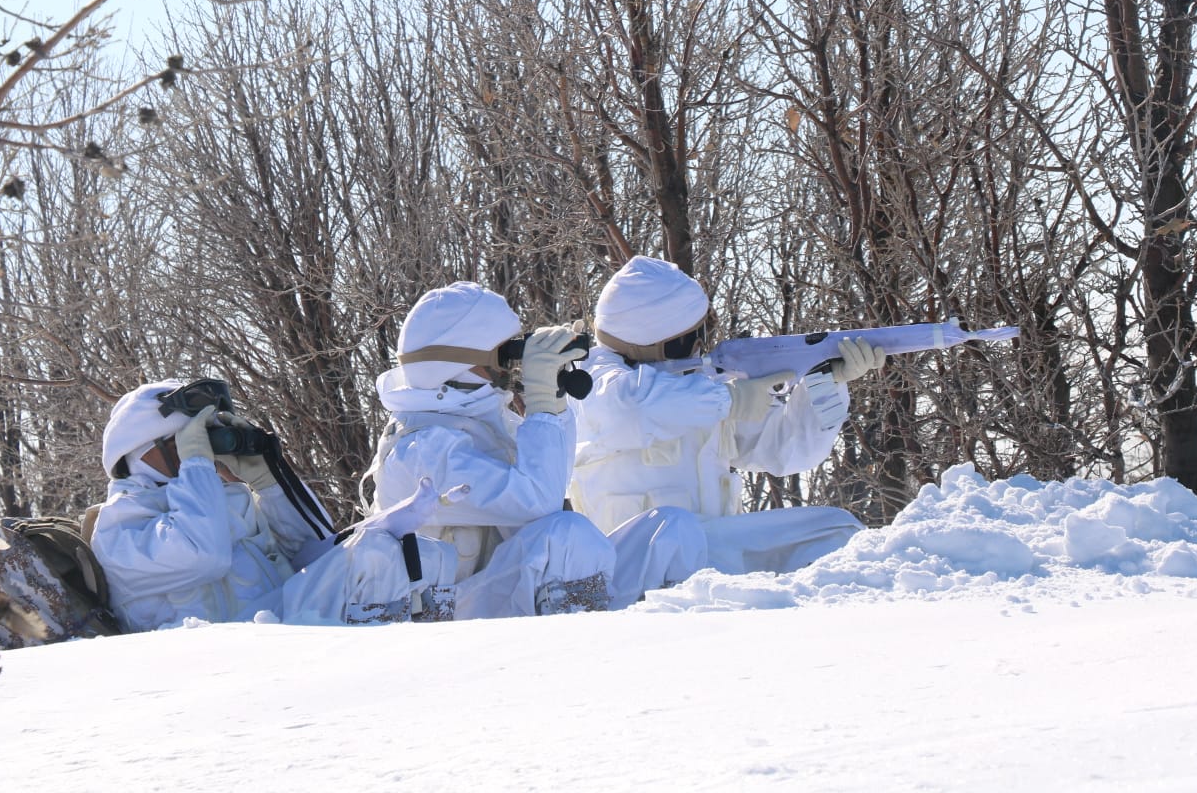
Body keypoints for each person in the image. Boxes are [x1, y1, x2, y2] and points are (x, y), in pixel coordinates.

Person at [569, 255, 884, 595]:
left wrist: (825, 380)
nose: (703, 343)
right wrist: (728, 400)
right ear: (664, 340)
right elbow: (632, 408)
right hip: (630, 570)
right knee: (675, 527)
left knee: (835, 531)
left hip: (711, 554)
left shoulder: (700, 385)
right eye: (695, 334)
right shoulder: (588, 383)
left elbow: (786, 450)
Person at [91, 378, 456, 631]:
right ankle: (384, 666)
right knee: (373, 554)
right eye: (185, 444)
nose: (204, 453)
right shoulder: (118, 529)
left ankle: (425, 661)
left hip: (273, 635)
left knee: (424, 551)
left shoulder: (220, 502)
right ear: (139, 453)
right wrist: (197, 465)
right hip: (209, 657)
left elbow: (311, 549)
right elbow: (206, 554)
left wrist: (269, 479)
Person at [365, 281, 616, 619]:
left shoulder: (487, 422)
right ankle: (581, 650)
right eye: (502, 357)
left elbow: (553, 487)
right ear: (456, 364)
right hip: (454, 619)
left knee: (669, 530)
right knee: (568, 537)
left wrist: (552, 397)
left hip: (500, 592)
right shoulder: (421, 450)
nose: (510, 368)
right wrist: (542, 401)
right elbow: (538, 502)